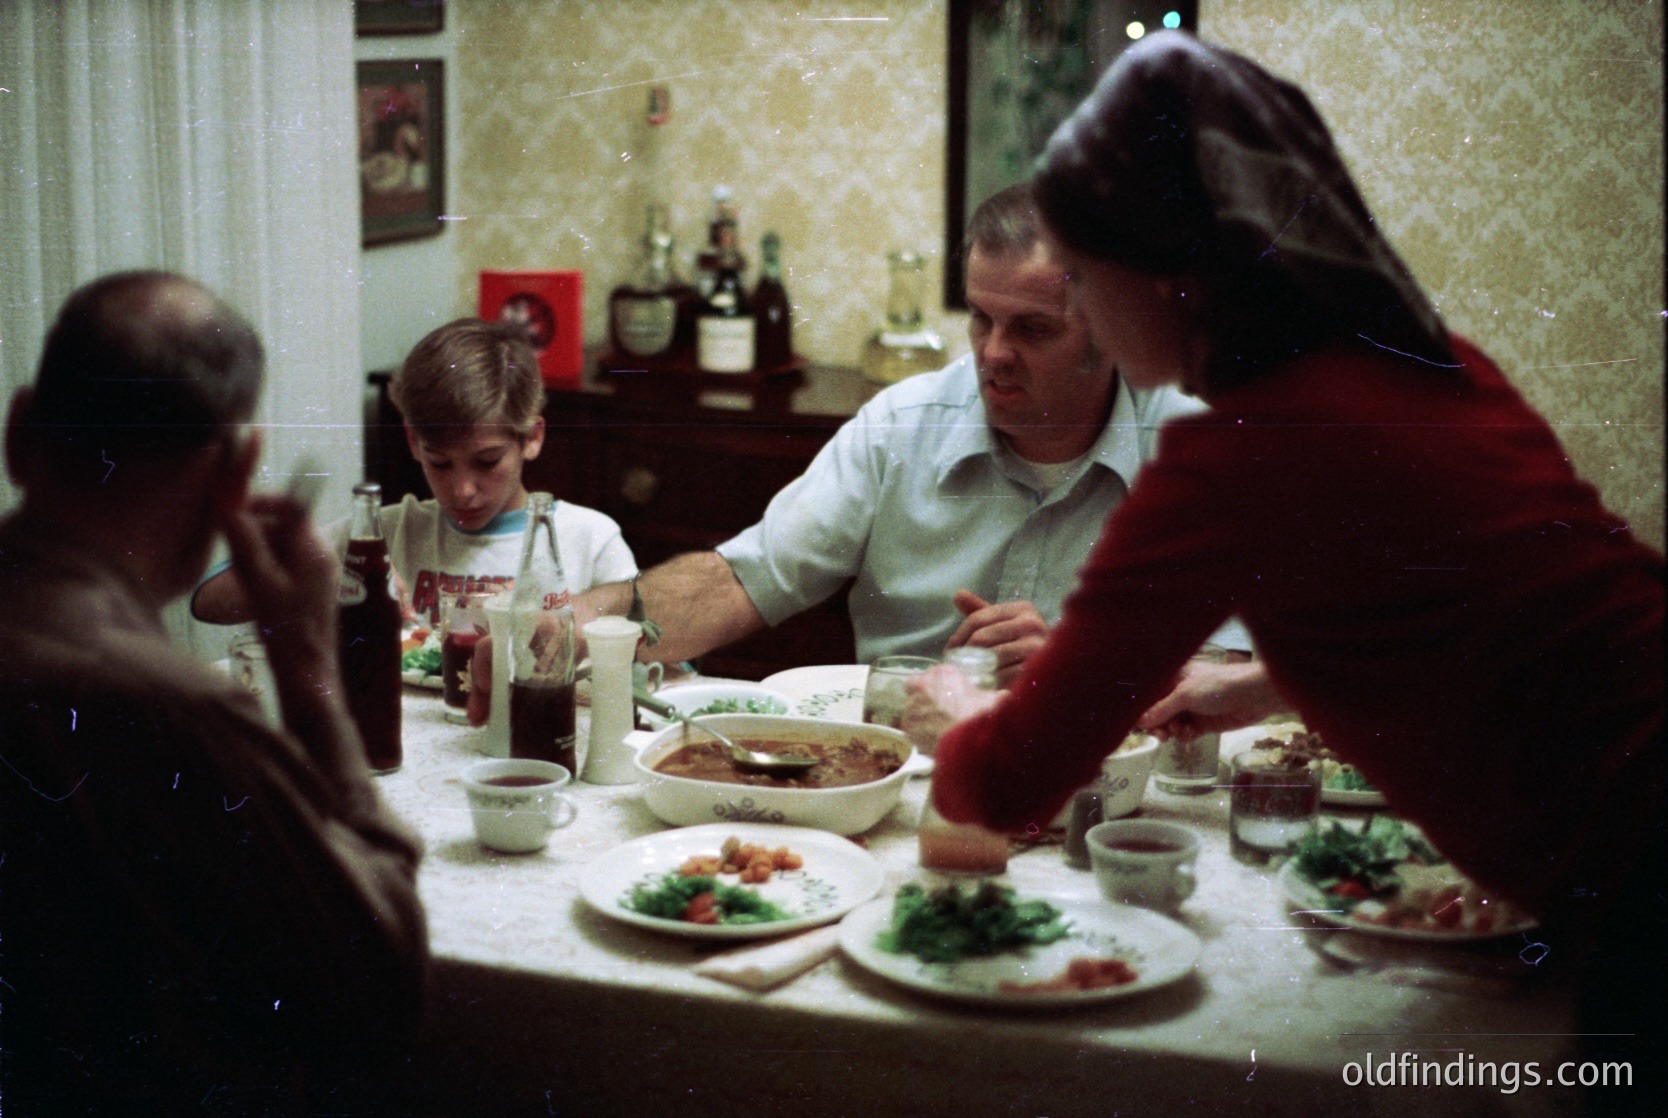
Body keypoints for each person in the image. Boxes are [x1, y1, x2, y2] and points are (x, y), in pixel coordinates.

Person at [909, 31, 1663, 1112]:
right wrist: (1256, 685)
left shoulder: (1238, 455)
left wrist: (954, 705)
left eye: (1078, 277)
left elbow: (1015, 781)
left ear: (1170, 275)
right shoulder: (1430, 360)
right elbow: (1474, 603)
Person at [0, 271, 429, 1114]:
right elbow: (380, 987)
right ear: (237, 474)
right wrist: (309, 681)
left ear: (18, 432)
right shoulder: (166, 708)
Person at [576, 183, 1247, 683]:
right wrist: (575, 630)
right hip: (911, 775)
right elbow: (741, 581)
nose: (993, 353)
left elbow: (1240, 675)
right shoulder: (901, 427)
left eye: (1033, 329)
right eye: (981, 318)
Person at [193, 317, 637, 629]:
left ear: (532, 437)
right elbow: (208, 601)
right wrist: (326, 575)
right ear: (412, 442)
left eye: (486, 461)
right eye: (439, 462)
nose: (462, 490)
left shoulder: (590, 540)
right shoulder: (387, 532)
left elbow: (650, 658)